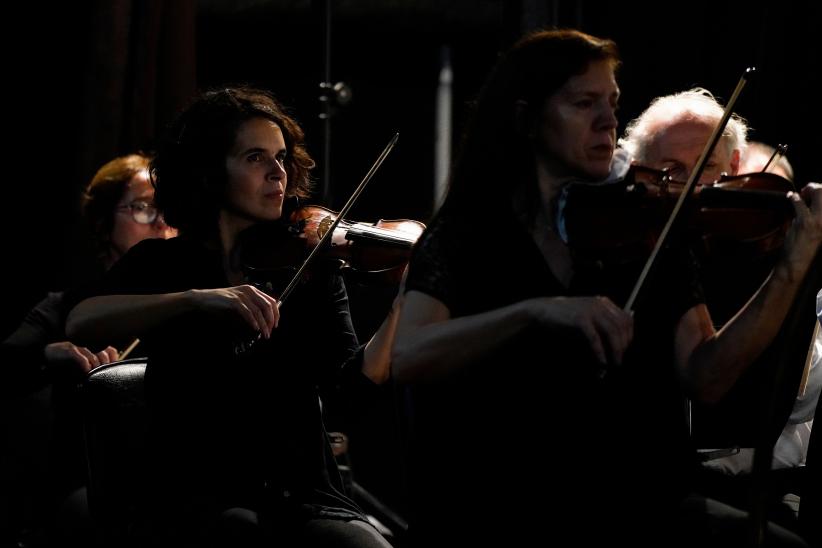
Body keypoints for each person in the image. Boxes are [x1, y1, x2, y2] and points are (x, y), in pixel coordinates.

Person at [390, 30, 820, 546]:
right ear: (528, 118)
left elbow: (706, 377)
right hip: (495, 504)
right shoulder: (470, 231)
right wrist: (536, 311)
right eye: (583, 103)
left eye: (613, 104)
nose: (608, 121)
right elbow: (408, 354)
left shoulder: (646, 228)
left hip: (632, 502)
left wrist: (790, 271)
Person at [65, 87, 399, 548]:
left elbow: (350, 393)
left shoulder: (311, 266)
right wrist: (195, 300)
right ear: (209, 171)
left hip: (302, 497)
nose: (278, 173)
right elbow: (82, 320)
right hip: (193, 497)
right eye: (256, 157)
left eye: (282, 157)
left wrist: (406, 299)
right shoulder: (163, 263)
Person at [622, 90, 821, 529]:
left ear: (732, 170)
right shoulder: (633, 255)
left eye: (706, 167)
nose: (692, 187)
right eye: (672, 171)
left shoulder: (748, 251)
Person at [0, 153, 177, 546]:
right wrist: (52, 353)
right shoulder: (67, 307)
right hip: (88, 483)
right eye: (144, 208)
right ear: (103, 221)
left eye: (169, 208)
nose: (163, 222)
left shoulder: (191, 304)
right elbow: (1, 366)